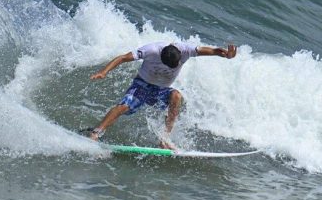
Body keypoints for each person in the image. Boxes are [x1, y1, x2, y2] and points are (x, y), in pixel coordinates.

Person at [89, 42, 237, 149]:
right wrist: (104, 71)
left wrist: (226, 55)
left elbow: (210, 50)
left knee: (176, 96)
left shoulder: (186, 50)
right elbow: (122, 58)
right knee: (123, 107)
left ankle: (164, 139)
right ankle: (96, 132)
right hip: (142, 84)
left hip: (162, 90)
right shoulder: (150, 50)